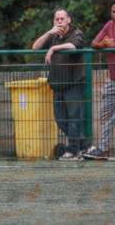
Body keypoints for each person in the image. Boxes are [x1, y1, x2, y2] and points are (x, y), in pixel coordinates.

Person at [32, 8, 93, 160]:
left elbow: (75, 46)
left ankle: (72, 151)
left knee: (74, 119)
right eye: (56, 19)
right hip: (57, 84)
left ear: (68, 20)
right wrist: (49, 32)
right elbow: (35, 47)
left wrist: (53, 48)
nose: (59, 21)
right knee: (60, 120)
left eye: (62, 19)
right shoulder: (52, 35)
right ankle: (85, 146)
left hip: (73, 83)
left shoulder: (76, 33)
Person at [84, 0, 115, 160]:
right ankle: (103, 150)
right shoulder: (109, 25)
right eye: (114, 11)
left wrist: (113, 44)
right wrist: (103, 44)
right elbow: (93, 43)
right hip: (112, 80)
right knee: (105, 113)